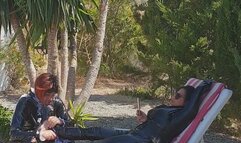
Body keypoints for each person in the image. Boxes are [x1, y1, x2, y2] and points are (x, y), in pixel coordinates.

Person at [39, 81, 211, 143]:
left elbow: (191, 111)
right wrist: (145, 118)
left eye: (178, 96)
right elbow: (155, 124)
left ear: (186, 102)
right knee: (93, 131)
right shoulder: (169, 109)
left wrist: (200, 89)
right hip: (134, 133)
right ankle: (53, 131)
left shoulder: (180, 114)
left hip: (141, 140)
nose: (173, 97)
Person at [9, 73, 72, 143]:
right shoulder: (25, 101)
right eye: (47, 95)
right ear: (39, 91)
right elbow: (14, 133)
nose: (51, 98)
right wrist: (39, 134)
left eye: (53, 94)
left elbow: (70, 124)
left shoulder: (56, 101)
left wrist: (60, 121)